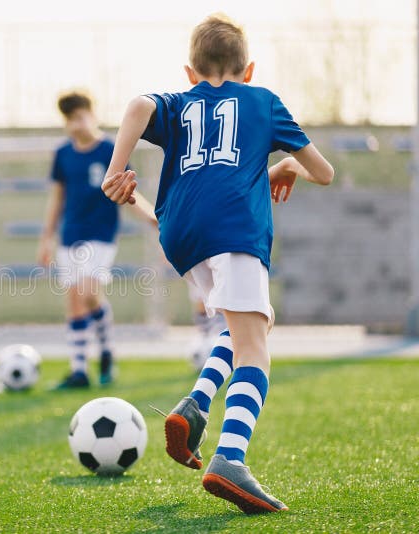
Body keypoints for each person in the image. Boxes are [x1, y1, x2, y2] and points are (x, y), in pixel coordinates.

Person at [101, 14, 333, 513]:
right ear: (248, 70)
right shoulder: (263, 101)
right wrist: (290, 163)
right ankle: (230, 458)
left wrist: (115, 170)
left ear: (190, 72)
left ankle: (196, 404)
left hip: (182, 234)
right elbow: (325, 173)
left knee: (243, 325)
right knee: (255, 350)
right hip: (234, 229)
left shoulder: (181, 103)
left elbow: (140, 104)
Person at [37, 92, 131, 390]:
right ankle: (79, 370)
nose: (75, 125)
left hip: (101, 234)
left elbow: (126, 188)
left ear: (92, 114)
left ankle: (105, 350)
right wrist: (46, 238)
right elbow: (57, 198)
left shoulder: (109, 150)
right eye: (69, 120)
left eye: (79, 117)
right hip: (71, 235)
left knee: (89, 292)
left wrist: (153, 217)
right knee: (75, 300)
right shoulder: (63, 154)